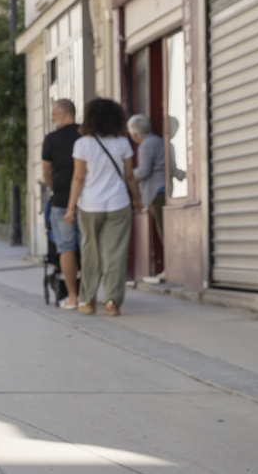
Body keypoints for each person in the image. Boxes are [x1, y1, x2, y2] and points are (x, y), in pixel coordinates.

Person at [65, 98, 142, 317]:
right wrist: (137, 200)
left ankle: (88, 299)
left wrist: (70, 208)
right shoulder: (123, 143)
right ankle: (112, 302)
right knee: (115, 253)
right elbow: (129, 176)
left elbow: (79, 178)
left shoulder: (82, 144)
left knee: (90, 251)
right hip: (118, 203)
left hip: (90, 205)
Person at [42, 98, 81, 309]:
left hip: (61, 201)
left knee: (66, 247)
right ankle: (89, 295)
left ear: (62, 114)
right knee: (88, 247)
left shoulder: (51, 139)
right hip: (86, 200)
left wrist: (54, 188)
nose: (51, 118)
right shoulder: (85, 135)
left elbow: (46, 171)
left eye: (53, 114)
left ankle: (73, 297)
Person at [128, 114, 166, 240]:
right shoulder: (159, 140)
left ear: (134, 134)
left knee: (163, 231)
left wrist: (128, 174)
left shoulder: (145, 145)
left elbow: (144, 171)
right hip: (164, 187)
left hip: (155, 191)